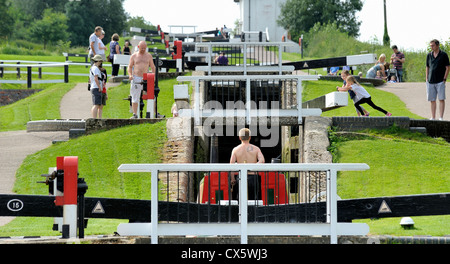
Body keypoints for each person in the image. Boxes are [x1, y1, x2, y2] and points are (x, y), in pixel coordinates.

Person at [229, 128, 265, 200]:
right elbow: (262, 160)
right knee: (254, 200)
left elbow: (231, 165)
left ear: (239, 138)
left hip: (241, 178)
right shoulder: (256, 149)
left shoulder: (235, 150)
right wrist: (253, 167)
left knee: (241, 200)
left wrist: (232, 179)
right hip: (253, 178)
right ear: (250, 137)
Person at [127, 41, 156, 119]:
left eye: (144, 48)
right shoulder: (134, 56)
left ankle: (153, 113)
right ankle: (135, 114)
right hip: (136, 77)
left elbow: (153, 67)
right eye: (142, 48)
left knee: (151, 95)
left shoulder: (149, 56)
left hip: (146, 77)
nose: (143, 49)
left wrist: (153, 76)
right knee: (135, 96)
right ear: (138, 47)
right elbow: (129, 67)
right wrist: (130, 75)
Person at [426, 39, 449, 121]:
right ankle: (433, 117)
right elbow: (427, 67)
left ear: (437, 45)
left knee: (441, 99)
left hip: (440, 81)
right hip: (431, 80)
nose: (431, 47)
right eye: (430, 45)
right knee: (432, 100)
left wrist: (444, 79)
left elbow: (447, 67)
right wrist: (426, 78)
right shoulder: (429, 55)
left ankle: (441, 117)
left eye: (433, 45)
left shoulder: (443, 55)